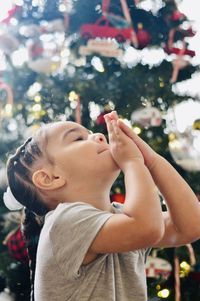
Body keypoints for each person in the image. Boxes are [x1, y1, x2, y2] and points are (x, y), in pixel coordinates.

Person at [3, 111, 200, 301]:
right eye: (78, 139)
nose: (98, 135)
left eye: (89, 133)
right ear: (50, 178)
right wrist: (133, 162)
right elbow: (146, 228)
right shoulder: (63, 222)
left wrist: (152, 160)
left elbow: (190, 225)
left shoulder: (122, 217)